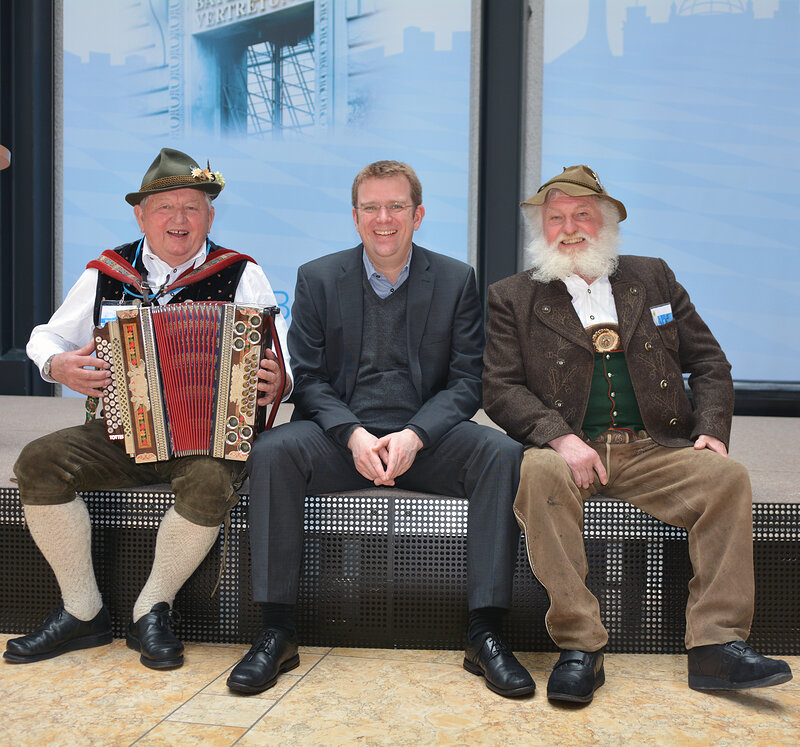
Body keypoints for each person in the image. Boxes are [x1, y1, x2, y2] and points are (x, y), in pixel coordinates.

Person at [482, 164, 793, 703]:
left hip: (655, 446)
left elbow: (710, 362)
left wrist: (713, 430)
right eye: (555, 218)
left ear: (606, 224)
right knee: (536, 472)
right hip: (571, 449)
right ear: (542, 230)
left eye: (583, 215)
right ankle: (581, 647)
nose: (569, 227)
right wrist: (560, 438)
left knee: (727, 478)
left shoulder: (653, 277)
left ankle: (716, 646)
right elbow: (502, 388)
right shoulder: (513, 296)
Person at [227, 160, 533, 698]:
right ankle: (276, 630)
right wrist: (352, 434)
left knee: (501, 454)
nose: (383, 219)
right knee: (273, 451)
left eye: (395, 207)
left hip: (425, 436)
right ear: (355, 216)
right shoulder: (318, 278)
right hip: (339, 436)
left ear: (418, 215)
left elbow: (467, 382)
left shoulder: (456, 279)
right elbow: (309, 378)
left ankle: (485, 633)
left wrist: (415, 435)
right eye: (371, 207)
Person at [4, 148, 290, 670]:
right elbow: (44, 336)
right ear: (141, 215)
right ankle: (81, 610)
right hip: (116, 434)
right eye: (165, 207)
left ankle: (150, 607)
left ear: (209, 215)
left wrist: (276, 380)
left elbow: (280, 356)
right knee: (38, 462)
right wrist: (59, 365)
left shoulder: (241, 273)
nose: (178, 220)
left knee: (211, 478)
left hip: (203, 436)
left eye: (192, 208)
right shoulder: (106, 271)